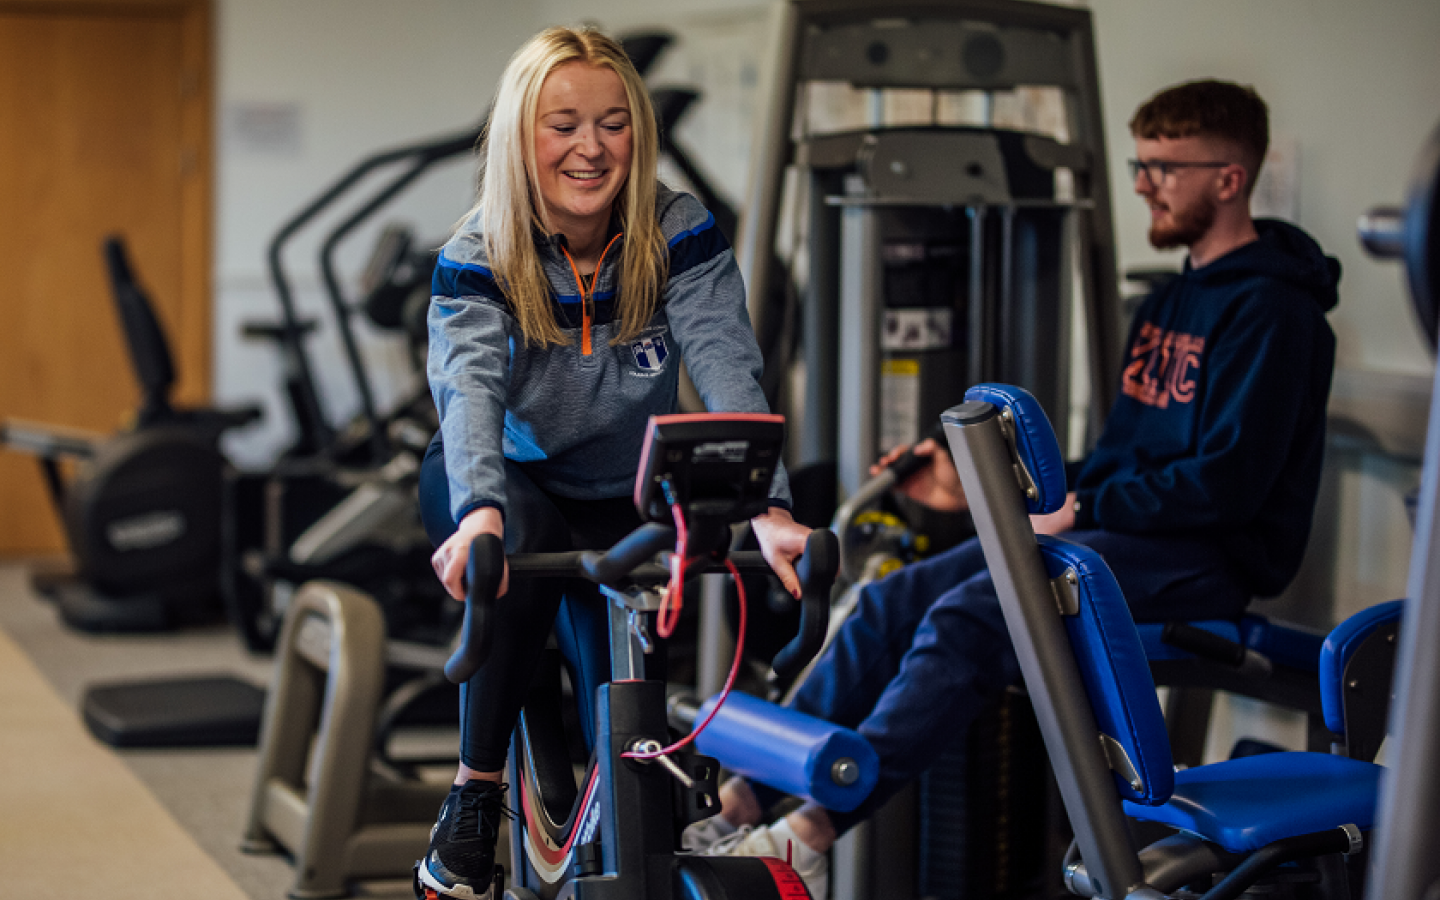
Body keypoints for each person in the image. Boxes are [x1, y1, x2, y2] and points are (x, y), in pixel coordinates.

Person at [695, 78, 1341, 900]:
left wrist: (1086, 507)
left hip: (1206, 558)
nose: (1143, 182)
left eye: (1164, 167)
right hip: (1127, 536)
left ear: (1229, 177)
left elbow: (1227, 487)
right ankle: (743, 796)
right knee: (895, 599)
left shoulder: (1277, 315)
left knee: (974, 612)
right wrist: (996, 481)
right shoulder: (1168, 302)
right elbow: (1118, 461)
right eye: (1139, 164)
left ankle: (812, 832)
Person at [414, 26, 812, 899]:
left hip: (615, 494)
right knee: (522, 538)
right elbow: (468, 385)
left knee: (627, 732)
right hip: (498, 480)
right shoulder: (480, 252)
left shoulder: (675, 230)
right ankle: (474, 799)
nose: (591, 147)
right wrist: (477, 507)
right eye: (563, 124)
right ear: (523, 136)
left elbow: (725, 360)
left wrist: (766, 509)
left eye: (612, 122)